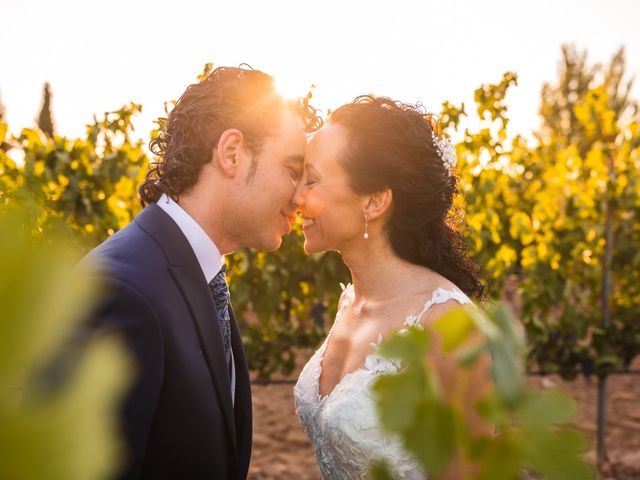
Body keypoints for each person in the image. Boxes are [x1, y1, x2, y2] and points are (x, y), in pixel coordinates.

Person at [83, 66, 319, 479]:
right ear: (231, 153)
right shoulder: (120, 290)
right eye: (292, 170)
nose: (301, 196)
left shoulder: (196, 272)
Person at [293, 96, 490, 479]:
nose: (297, 196)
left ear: (375, 201)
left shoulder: (448, 324)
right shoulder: (349, 300)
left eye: (312, 180)